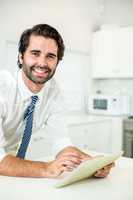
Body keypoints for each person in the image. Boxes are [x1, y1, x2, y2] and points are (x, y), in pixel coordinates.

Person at [0, 24, 114, 178]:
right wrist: (47, 168)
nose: (42, 63)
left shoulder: (53, 92)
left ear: (57, 62)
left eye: (50, 56)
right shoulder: (3, 87)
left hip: (11, 170)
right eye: (35, 53)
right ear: (21, 57)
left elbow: (61, 142)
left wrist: (90, 163)